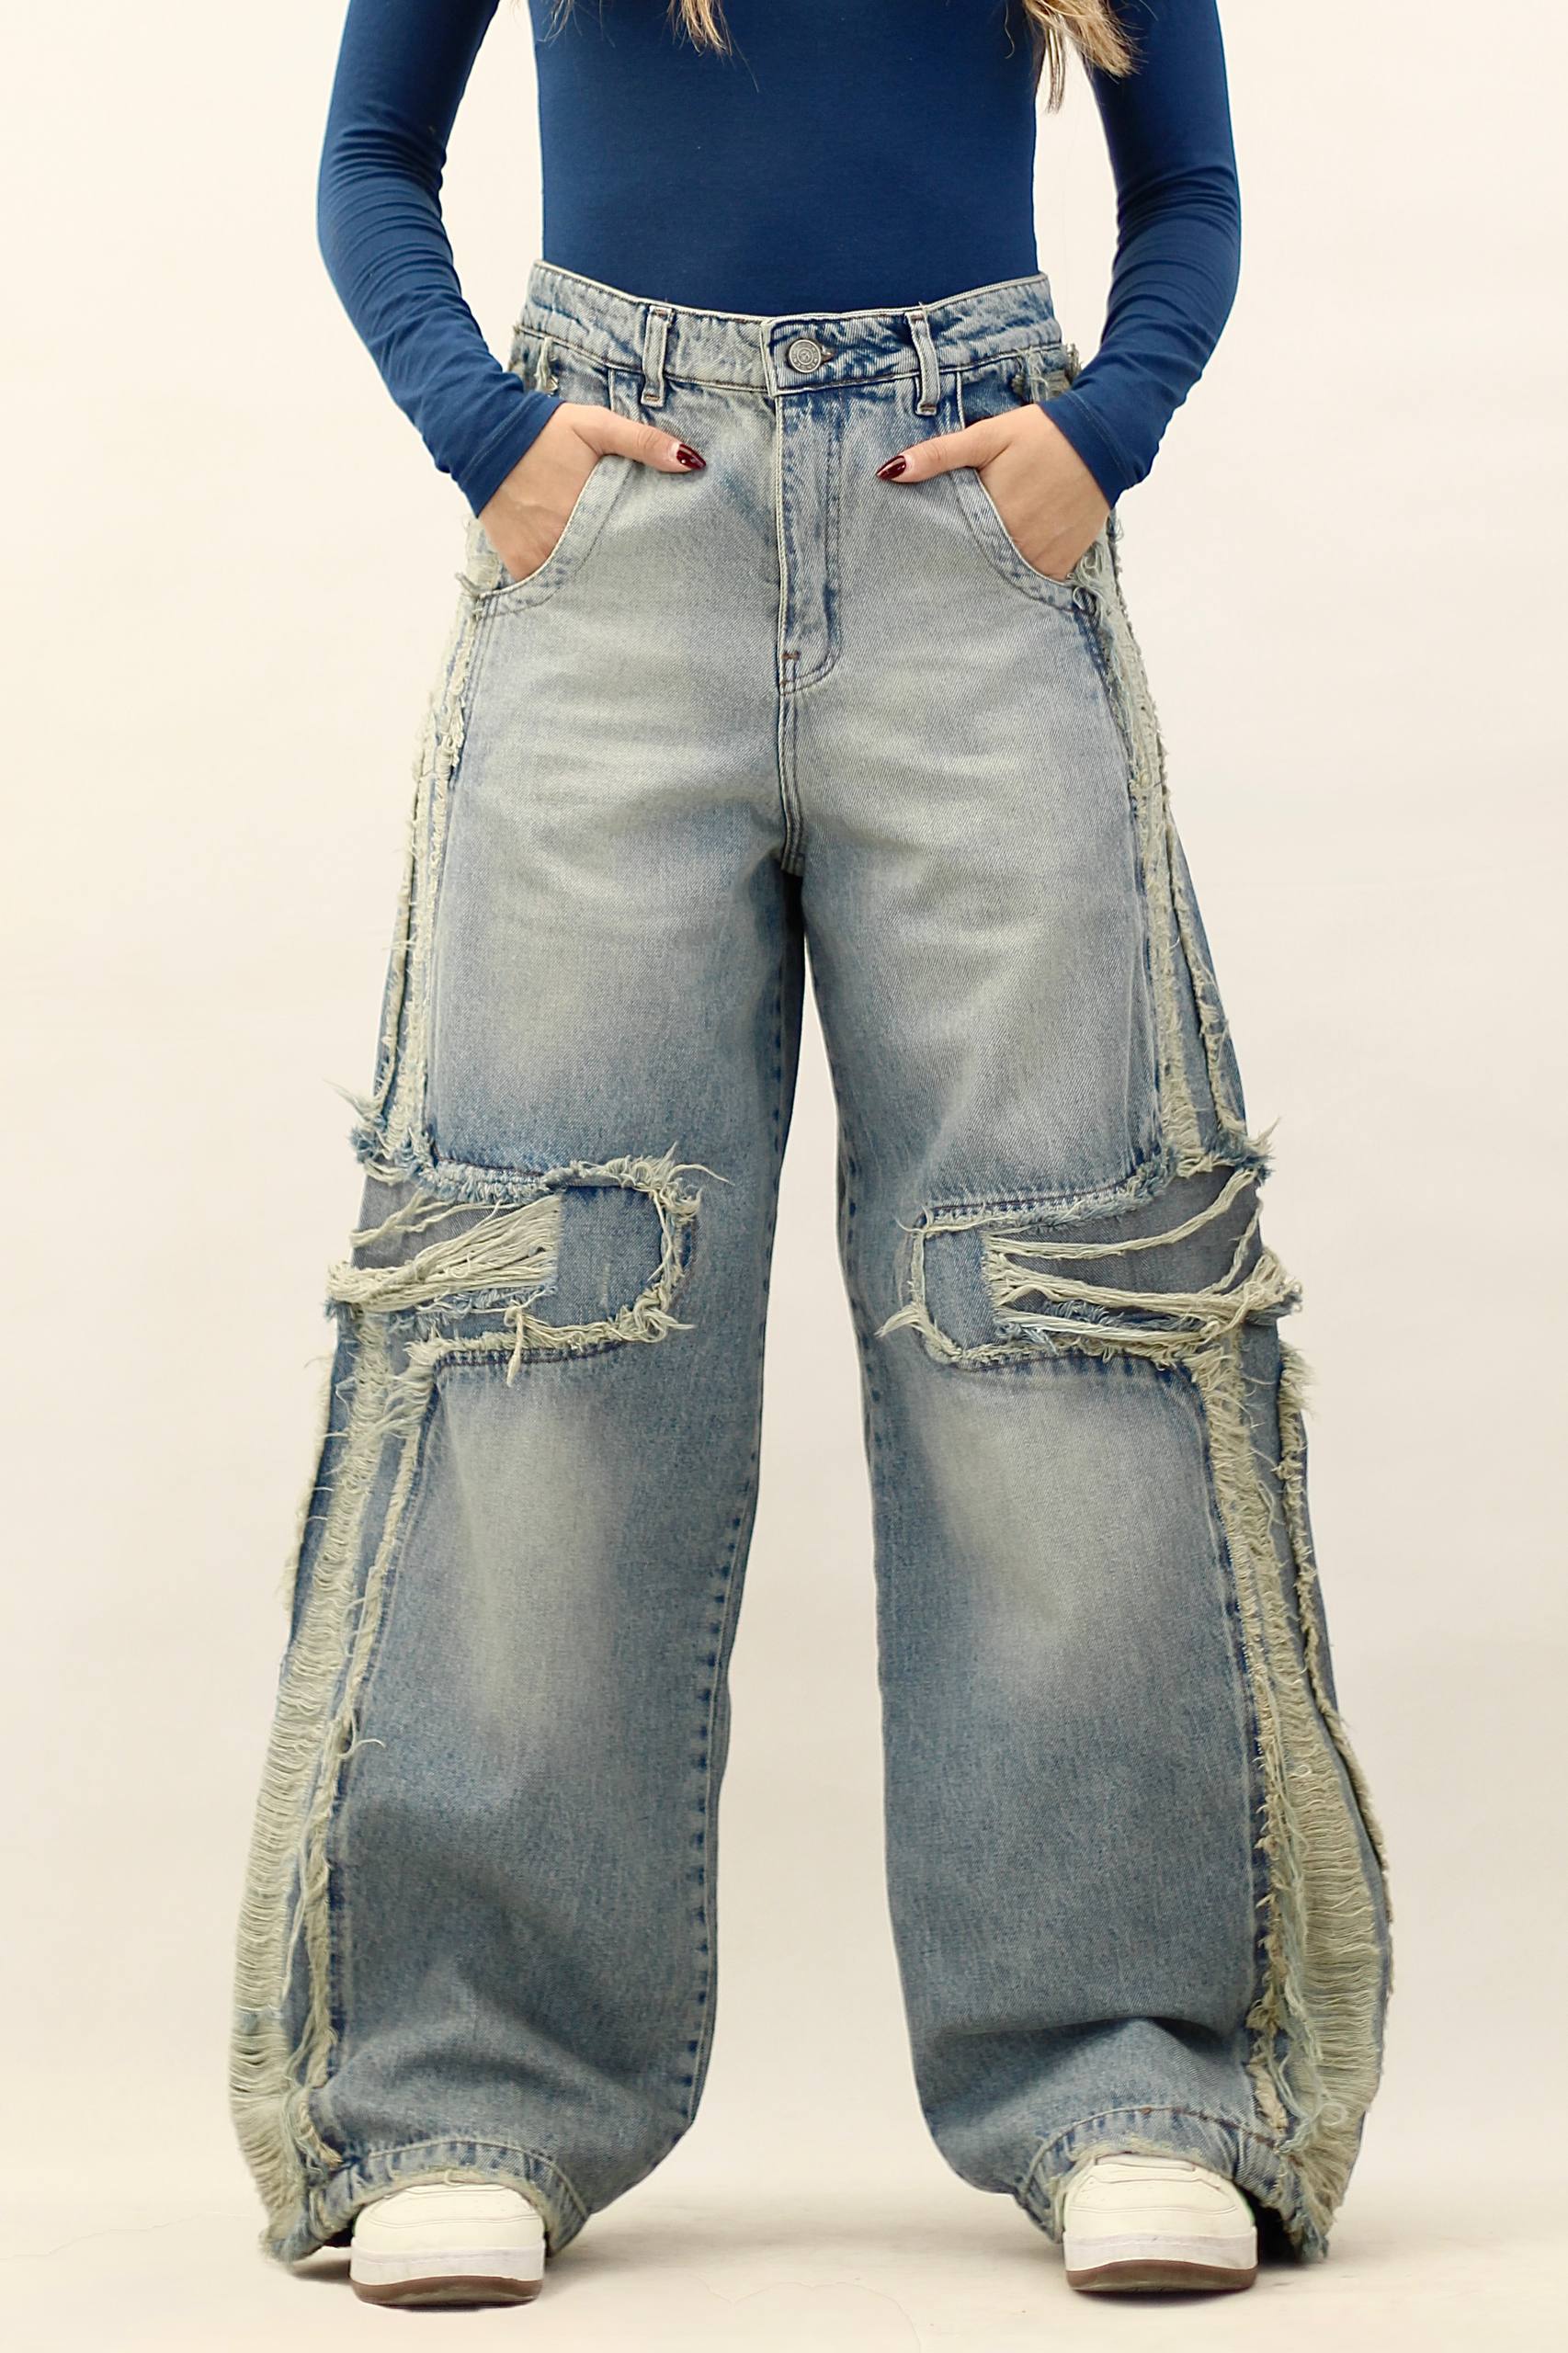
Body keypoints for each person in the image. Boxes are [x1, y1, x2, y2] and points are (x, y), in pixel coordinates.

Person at [227, 0, 1394, 2309]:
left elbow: (1188, 198)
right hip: (614, 543)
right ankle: (463, 2084)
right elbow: (371, 157)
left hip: (975, 543)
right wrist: (487, 433)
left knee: (1053, 1287)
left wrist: (1101, 435)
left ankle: (1132, 2072)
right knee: (543, 1284)